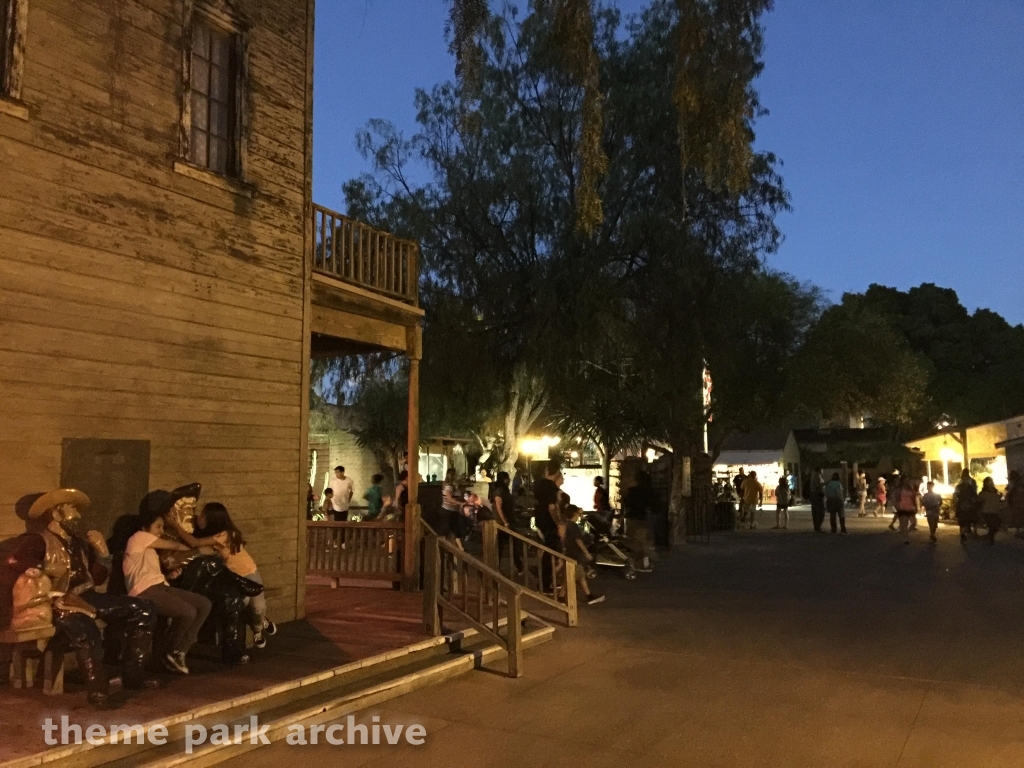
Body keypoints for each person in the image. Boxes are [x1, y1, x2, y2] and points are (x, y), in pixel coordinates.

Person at [173, 502, 276, 649]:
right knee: (242, 605)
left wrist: (174, 524)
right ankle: (260, 622)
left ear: (213, 519)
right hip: (234, 578)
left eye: (203, 516)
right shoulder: (215, 535)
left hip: (249, 573)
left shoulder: (225, 534)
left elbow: (194, 542)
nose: (199, 518)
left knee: (258, 608)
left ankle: (258, 630)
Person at [124, 506, 213, 674]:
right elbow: (175, 546)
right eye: (158, 526)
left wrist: (170, 577)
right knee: (187, 612)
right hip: (144, 590)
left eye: (162, 527)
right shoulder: (139, 537)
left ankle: (179, 651)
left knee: (204, 604)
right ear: (145, 527)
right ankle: (169, 651)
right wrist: (196, 550)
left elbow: (149, 572)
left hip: (160, 586)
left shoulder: (150, 550)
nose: (161, 531)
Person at [562, 505, 604, 605]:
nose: (579, 516)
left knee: (579, 576)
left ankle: (589, 596)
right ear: (574, 514)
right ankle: (561, 598)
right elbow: (578, 540)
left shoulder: (567, 525)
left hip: (571, 554)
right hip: (575, 555)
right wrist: (586, 553)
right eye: (578, 514)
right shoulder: (573, 526)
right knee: (572, 577)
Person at [534, 460, 564, 590]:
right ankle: (545, 584)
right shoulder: (550, 487)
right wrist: (558, 524)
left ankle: (546, 581)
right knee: (551, 552)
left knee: (549, 551)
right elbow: (552, 507)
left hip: (541, 519)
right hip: (549, 522)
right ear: (556, 472)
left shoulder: (539, 484)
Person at [623, 471, 655, 572]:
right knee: (643, 542)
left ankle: (635, 564)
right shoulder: (649, 492)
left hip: (633, 520)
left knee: (633, 542)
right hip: (645, 519)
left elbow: (627, 506)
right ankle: (645, 563)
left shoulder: (632, 492)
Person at [953, 469, 979, 542]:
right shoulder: (965, 486)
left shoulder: (965, 487)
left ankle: (964, 533)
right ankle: (964, 533)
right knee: (965, 520)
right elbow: (955, 496)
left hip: (965, 505)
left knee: (964, 520)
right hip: (965, 505)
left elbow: (955, 496)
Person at [893, 474, 920, 544]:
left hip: (910, 506)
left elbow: (914, 497)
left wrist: (916, 506)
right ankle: (905, 538)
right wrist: (896, 506)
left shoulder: (910, 488)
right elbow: (895, 497)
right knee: (904, 524)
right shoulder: (899, 489)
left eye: (908, 479)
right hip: (902, 506)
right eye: (906, 479)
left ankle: (906, 532)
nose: (907, 481)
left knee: (914, 523)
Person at [977, 476, 1004, 544]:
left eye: (991, 482)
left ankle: (989, 536)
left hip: (995, 511)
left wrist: (1000, 497)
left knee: (997, 525)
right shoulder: (983, 493)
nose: (991, 483)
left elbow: (999, 499)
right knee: (993, 525)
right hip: (987, 512)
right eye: (989, 482)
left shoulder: (995, 491)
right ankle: (990, 538)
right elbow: (979, 501)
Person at [810, 468, 826, 533]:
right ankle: (818, 526)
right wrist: (825, 483)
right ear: (819, 471)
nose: (822, 471)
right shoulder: (817, 477)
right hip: (818, 495)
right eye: (822, 470)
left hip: (816, 495)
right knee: (820, 511)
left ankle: (817, 526)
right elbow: (818, 485)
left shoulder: (816, 477)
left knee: (816, 512)